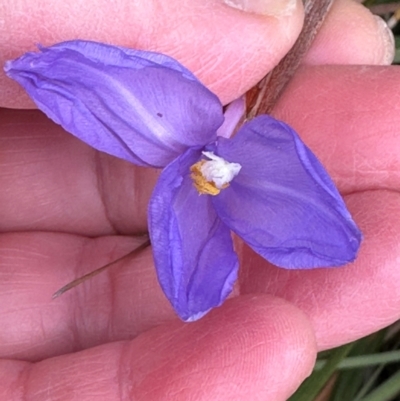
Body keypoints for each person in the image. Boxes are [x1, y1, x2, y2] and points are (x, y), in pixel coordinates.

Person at [0, 0, 398, 399]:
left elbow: (317, 231)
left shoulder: (221, 168)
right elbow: (93, 80)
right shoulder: (179, 141)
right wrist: (40, 66)